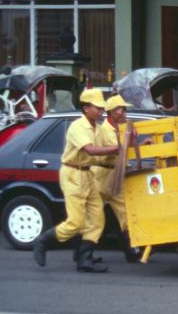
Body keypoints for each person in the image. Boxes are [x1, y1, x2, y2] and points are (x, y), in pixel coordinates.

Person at [31, 88, 118, 272]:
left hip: (88, 174)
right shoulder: (78, 126)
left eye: (102, 108)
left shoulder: (97, 127)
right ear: (86, 108)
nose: (101, 111)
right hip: (73, 174)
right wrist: (116, 149)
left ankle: (84, 258)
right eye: (98, 108)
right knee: (76, 222)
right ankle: (43, 240)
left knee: (97, 219)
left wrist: (133, 145)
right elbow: (91, 150)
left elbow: (107, 148)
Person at [92, 94, 139, 263]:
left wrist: (135, 140)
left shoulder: (123, 128)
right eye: (121, 109)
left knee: (125, 214)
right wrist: (116, 148)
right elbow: (97, 153)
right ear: (111, 112)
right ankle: (83, 254)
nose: (124, 112)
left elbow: (128, 150)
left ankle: (131, 251)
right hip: (101, 178)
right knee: (94, 218)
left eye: (125, 109)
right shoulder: (102, 130)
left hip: (116, 178)